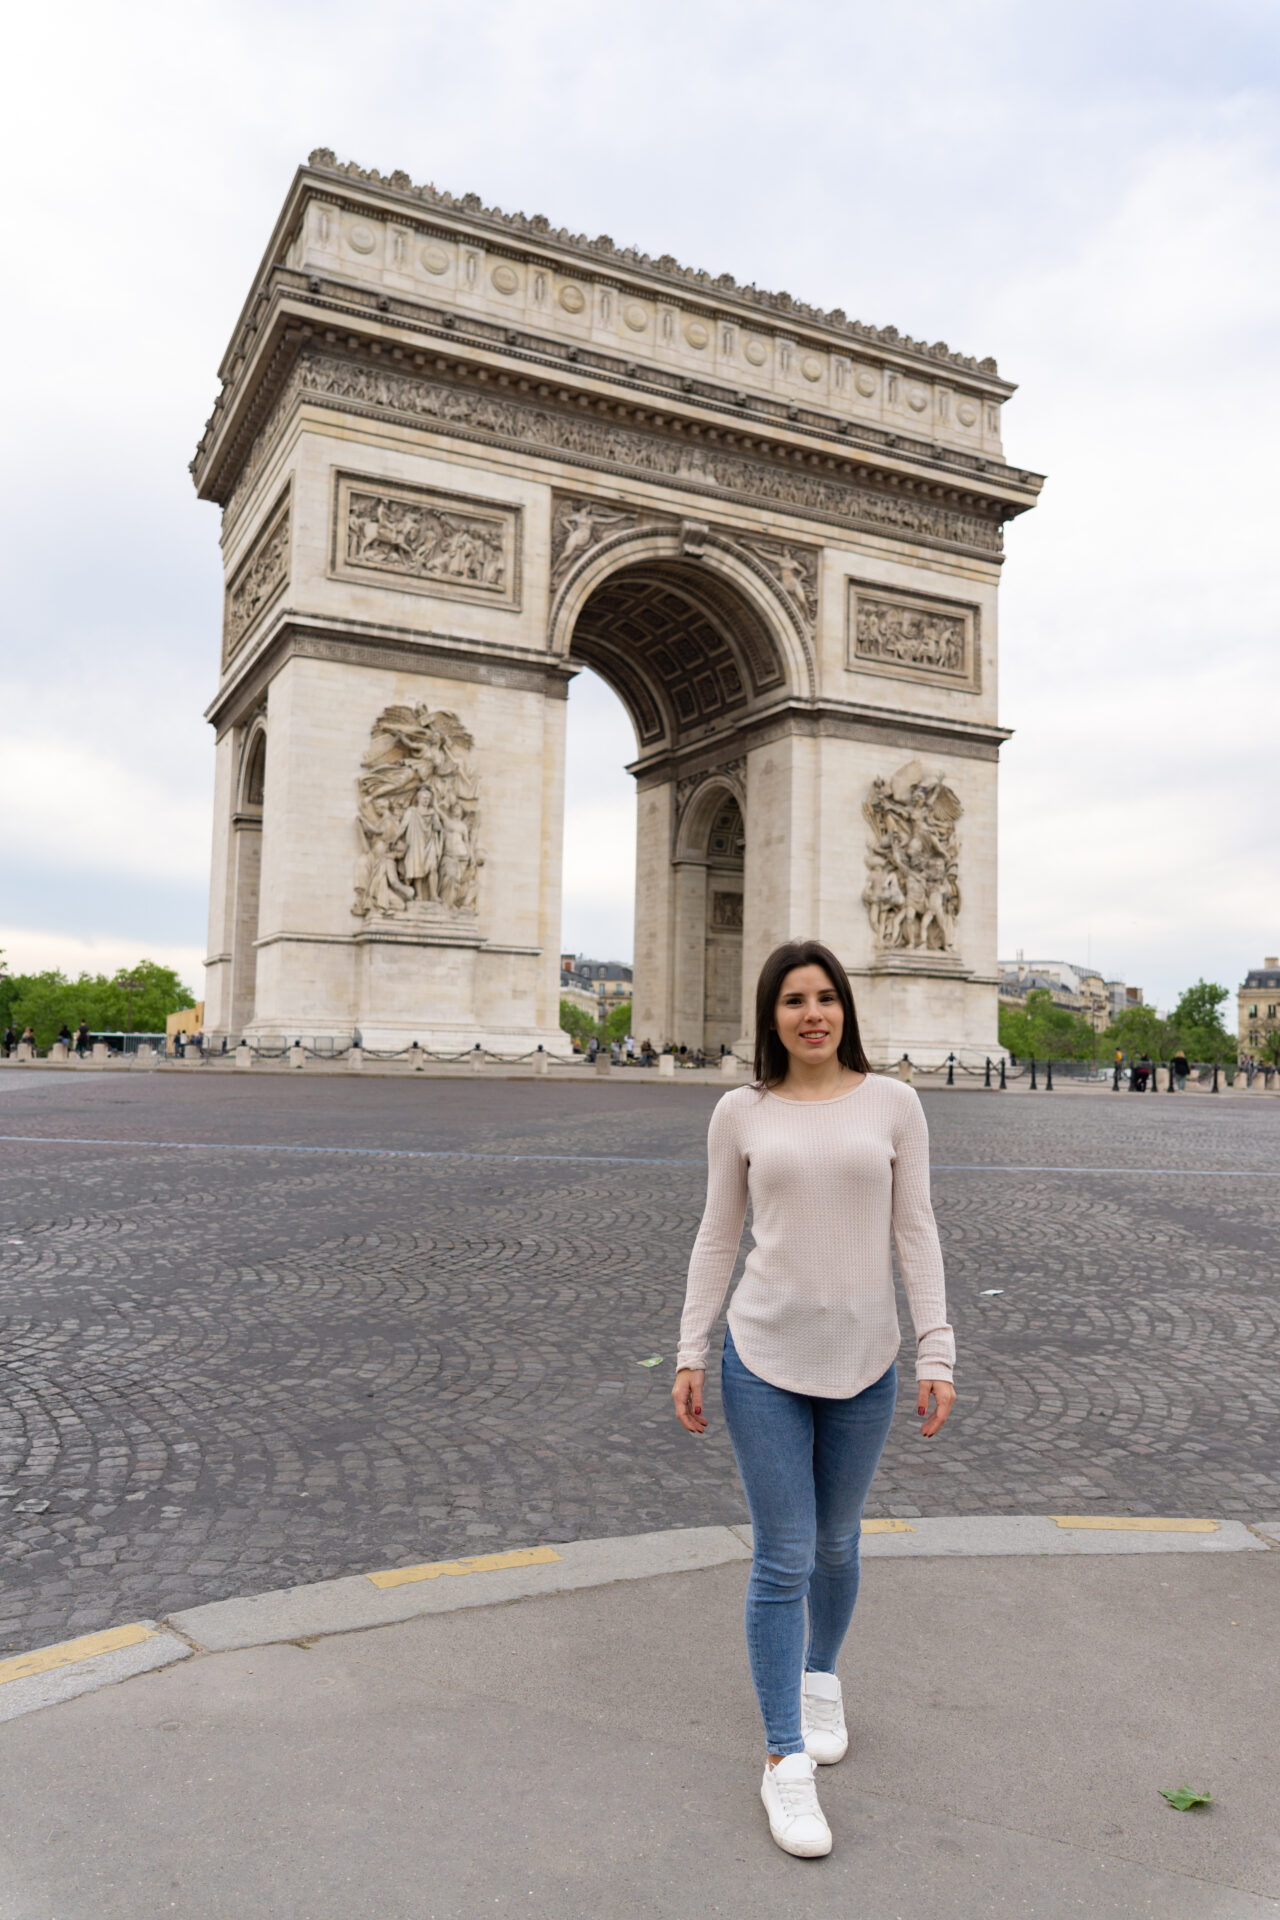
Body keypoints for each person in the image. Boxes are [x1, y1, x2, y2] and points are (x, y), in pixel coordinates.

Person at [672, 939, 955, 1859]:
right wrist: (689, 1347)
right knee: (784, 1557)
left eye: (826, 997)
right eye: (794, 999)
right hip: (761, 1358)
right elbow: (718, 1237)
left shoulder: (897, 1106)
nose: (812, 1013)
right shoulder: (739, 1112)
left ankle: (820, 1673)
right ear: (772, 1016)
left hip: (867, 1360)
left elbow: (917, 1233)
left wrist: (937, 1351)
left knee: (838, 1543)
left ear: (847, 1010)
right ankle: (783, 1760)